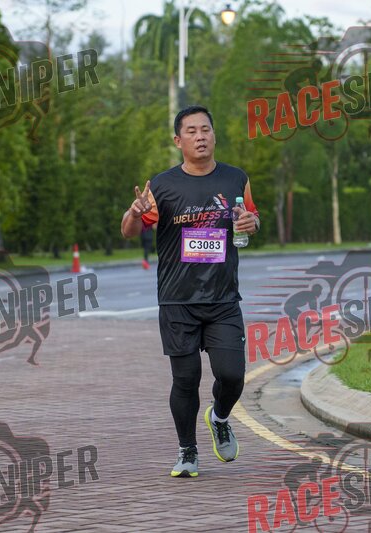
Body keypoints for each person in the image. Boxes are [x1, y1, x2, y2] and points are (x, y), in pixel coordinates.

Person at [120, 105, 260, 478]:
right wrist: (134, 213)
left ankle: (220, 417)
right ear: (177, 140)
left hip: (223, 299)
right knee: (185, 379)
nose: (200, 136)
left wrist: (252, 222)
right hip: (177, 300)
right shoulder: (162, 185)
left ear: (214, 135)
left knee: (232, 375)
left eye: (206, 129)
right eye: (192, 131)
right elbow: (130, 231)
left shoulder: (236, 178)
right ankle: (187, 451)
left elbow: (250, 218)